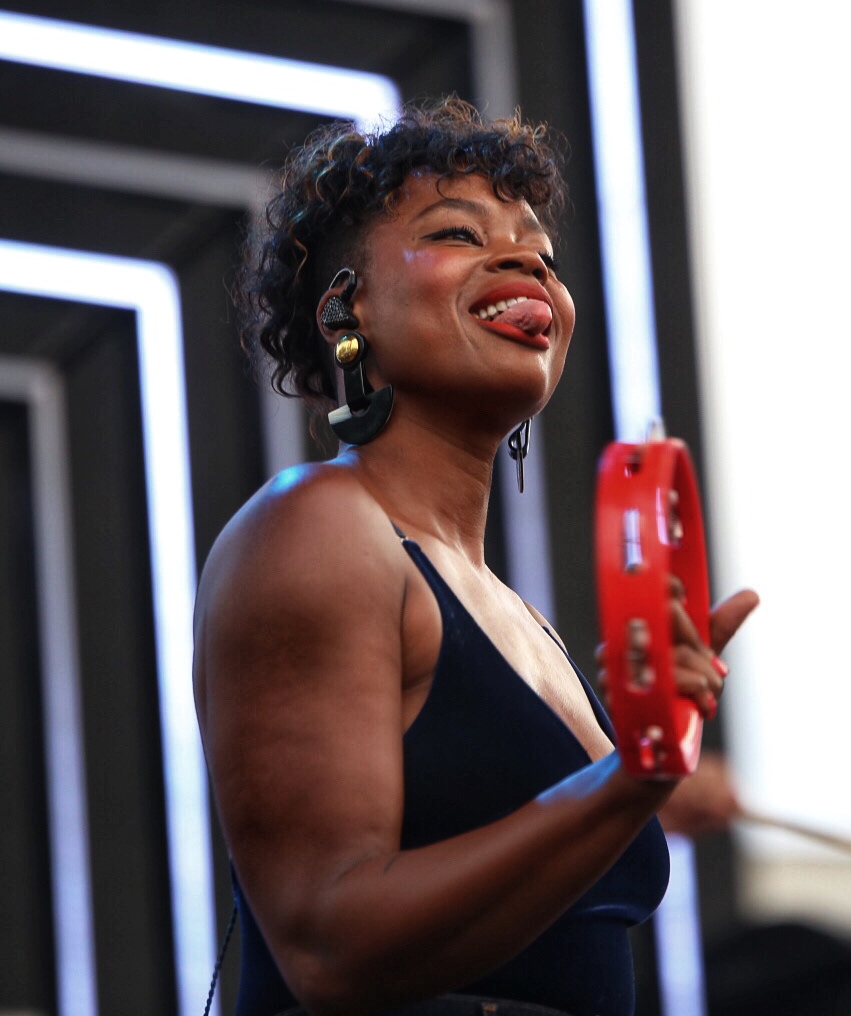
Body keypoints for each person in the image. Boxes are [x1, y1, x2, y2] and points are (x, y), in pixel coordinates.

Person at [195, 98, 759, 1016]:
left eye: (541, 251)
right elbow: (330, 949)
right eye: (457, 234)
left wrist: (646, 765)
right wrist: (629, 781)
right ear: (346, 307)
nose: (525, 261)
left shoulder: (524, 623)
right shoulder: (317, 527)